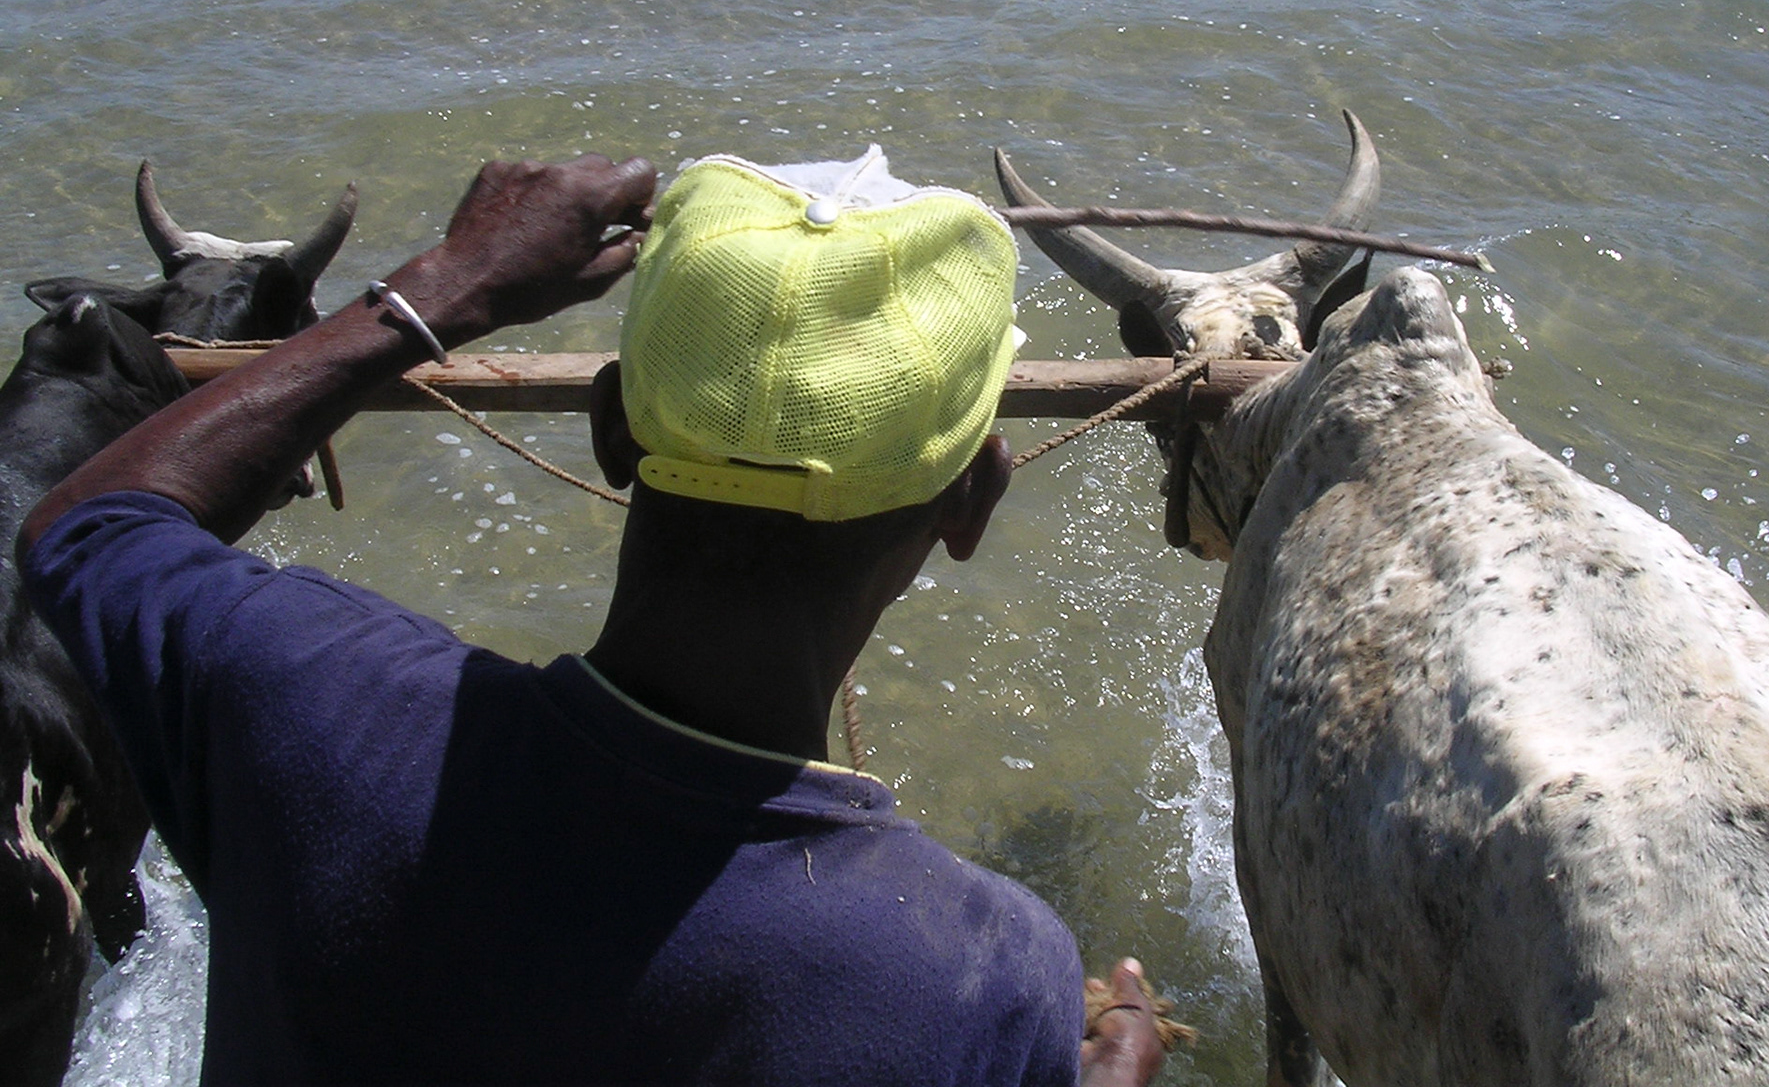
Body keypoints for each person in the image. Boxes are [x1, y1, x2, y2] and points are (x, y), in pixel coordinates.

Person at [20, 150, 1166, 1086]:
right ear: (976, 498)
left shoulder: (305, 705)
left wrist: (452, 284)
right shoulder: (976, 984)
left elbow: (91, 528)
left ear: (611, 432)